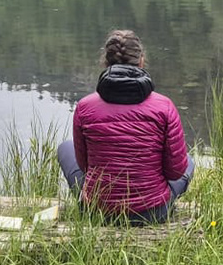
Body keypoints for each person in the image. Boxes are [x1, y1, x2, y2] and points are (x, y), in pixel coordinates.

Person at [57, 29, 193, 224]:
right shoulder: (164, 106)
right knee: (188, 160)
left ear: (105, 62)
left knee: (65, 148)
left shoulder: (85, 107)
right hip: (153, 213)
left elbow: (85, 166)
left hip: (98, 211)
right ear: (141, 61)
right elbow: (175, 172)